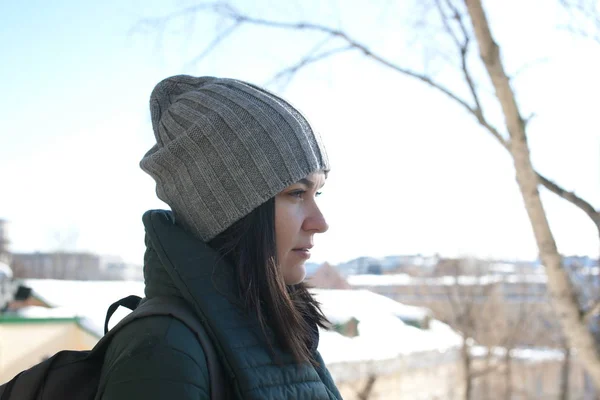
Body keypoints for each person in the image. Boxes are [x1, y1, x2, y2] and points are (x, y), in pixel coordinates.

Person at [97, 75, 343, 399]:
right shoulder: (164, 351)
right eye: (296, 193)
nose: (319, 223)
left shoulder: (280, 326)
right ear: (233, 211)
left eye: (317, 193)